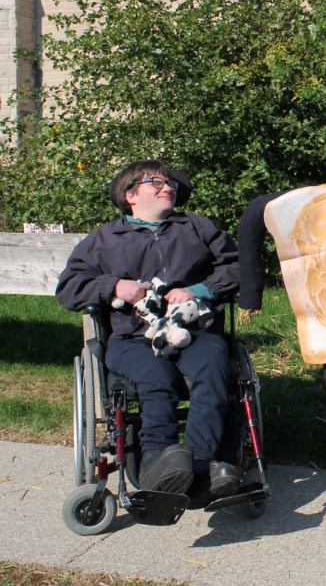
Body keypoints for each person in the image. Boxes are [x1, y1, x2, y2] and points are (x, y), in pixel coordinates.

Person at [56, 160, 241, 499]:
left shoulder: (196, 227)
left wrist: (199, 290)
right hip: (132, 337)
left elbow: (237, 268)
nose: (167, 186)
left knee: (213, 367)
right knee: (157, 379)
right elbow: (69, 288)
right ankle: (158, 460)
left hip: (194, 329)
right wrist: (114, 287)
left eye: (169, 182)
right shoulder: (104, 239)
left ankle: (200, 464)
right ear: (130, 194)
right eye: (155, 182)